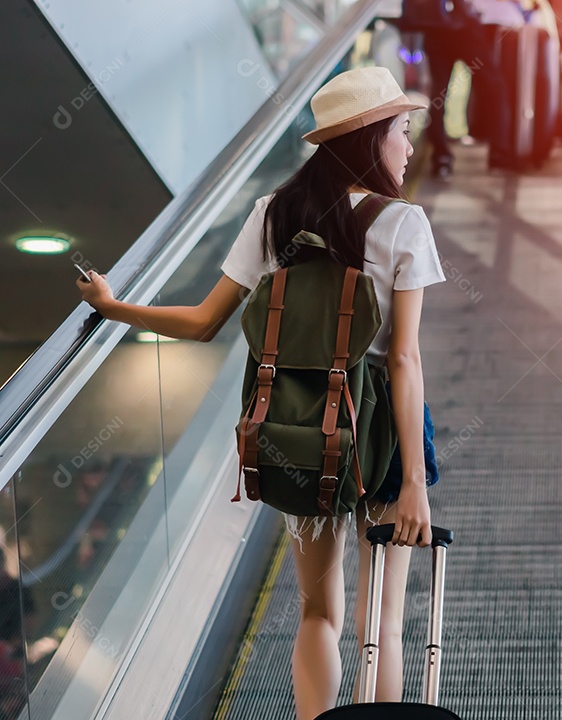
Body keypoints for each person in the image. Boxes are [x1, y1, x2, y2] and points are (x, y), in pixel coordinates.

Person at [77, 66, 446, 720]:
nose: (410, 146)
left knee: (316, 612)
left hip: (298, 428)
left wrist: (115, 309)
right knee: (381, 622)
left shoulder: (272, 214)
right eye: (402, 131)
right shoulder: (403, 223)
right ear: (369, 138)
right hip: (385, 434)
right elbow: (404, 360)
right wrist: (414, 480)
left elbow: (203, 322)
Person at [416, 0, 517, 177]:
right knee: (495, 87)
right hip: (466, 30)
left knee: (439, 93)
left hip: (436, 28)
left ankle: (441, 157)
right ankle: (499, 151)